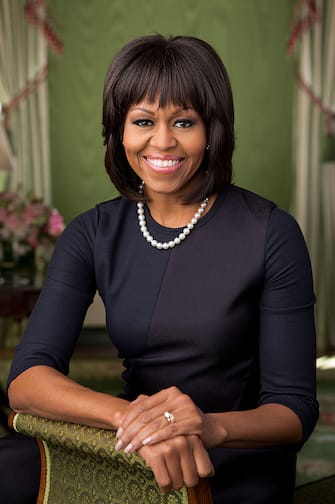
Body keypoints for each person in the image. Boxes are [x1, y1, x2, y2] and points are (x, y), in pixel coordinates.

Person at [6, 34, 318, 503]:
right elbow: (27, 378)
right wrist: (132, 421)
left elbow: (293, 409)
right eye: (144, 121)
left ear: (213, 130)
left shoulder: (272, 232)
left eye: (184, 121)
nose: (163, 141)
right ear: (119, 131)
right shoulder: (92, 232)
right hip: (133, 443)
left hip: (229, 452)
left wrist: (206, 427)